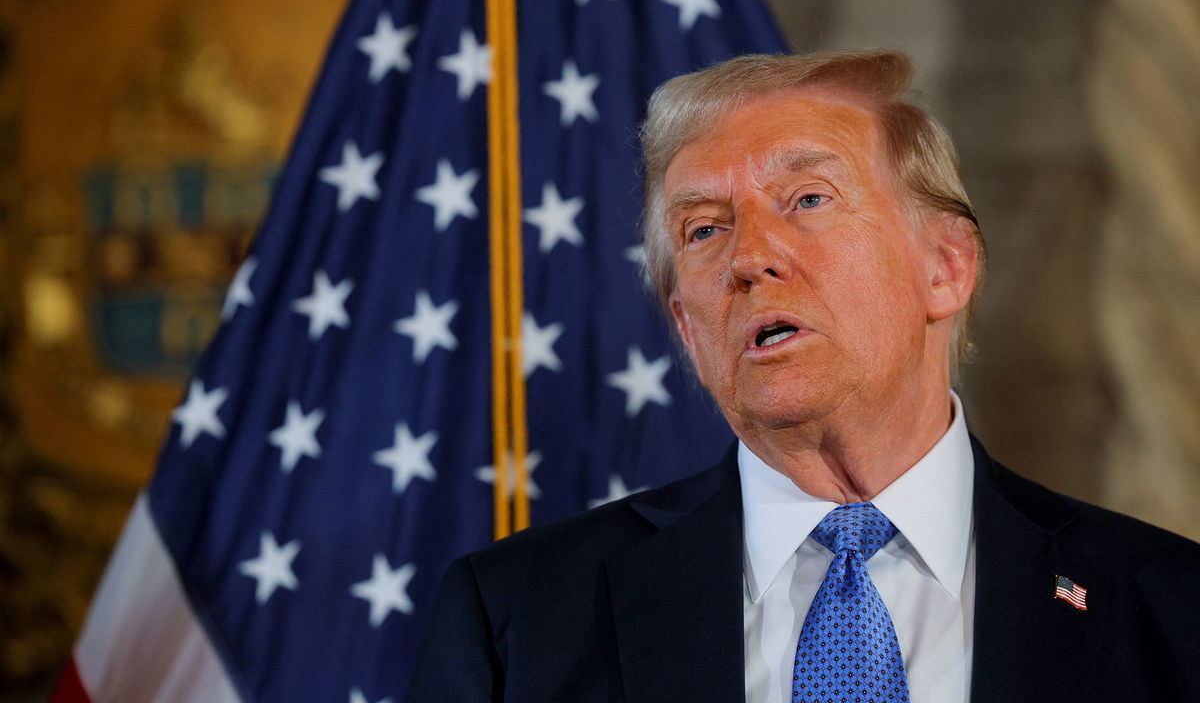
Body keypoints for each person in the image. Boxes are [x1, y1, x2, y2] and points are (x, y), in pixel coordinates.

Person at [405, 50, 1200, 702]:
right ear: (688, 328)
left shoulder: (1169, 607)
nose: (751, 257)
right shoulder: (517, 618)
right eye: (705, 229)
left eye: (808, 198)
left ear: (946, 269)